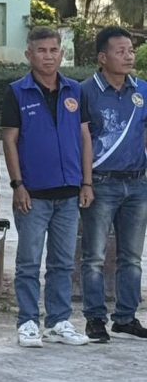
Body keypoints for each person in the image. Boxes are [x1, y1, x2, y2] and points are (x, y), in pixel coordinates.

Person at [1, 26, 93, 348]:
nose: (48, 56)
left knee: (63, 263)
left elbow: (84, 137)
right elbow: (9, 141)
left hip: (69, 193)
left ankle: (58, 321)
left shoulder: (75, 90)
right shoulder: (16, 92)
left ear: (61, 54)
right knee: (28, 263)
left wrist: (86, 182)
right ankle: (28, 322)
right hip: (33, 195)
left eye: (54, 50)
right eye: (41, 51)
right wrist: (18, 185)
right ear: (29, 54)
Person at [79, 26, 147, 342]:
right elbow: (79, 140)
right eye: (121, 51)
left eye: (130, 50)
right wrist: (86, 183)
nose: (129, 56)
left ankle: (126, 318)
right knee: (94, 256)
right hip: (100, 184)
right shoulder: (84, 92)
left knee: (131, 257)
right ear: (102, 58)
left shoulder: (142, 91)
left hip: (137, 184)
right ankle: (95, 319)